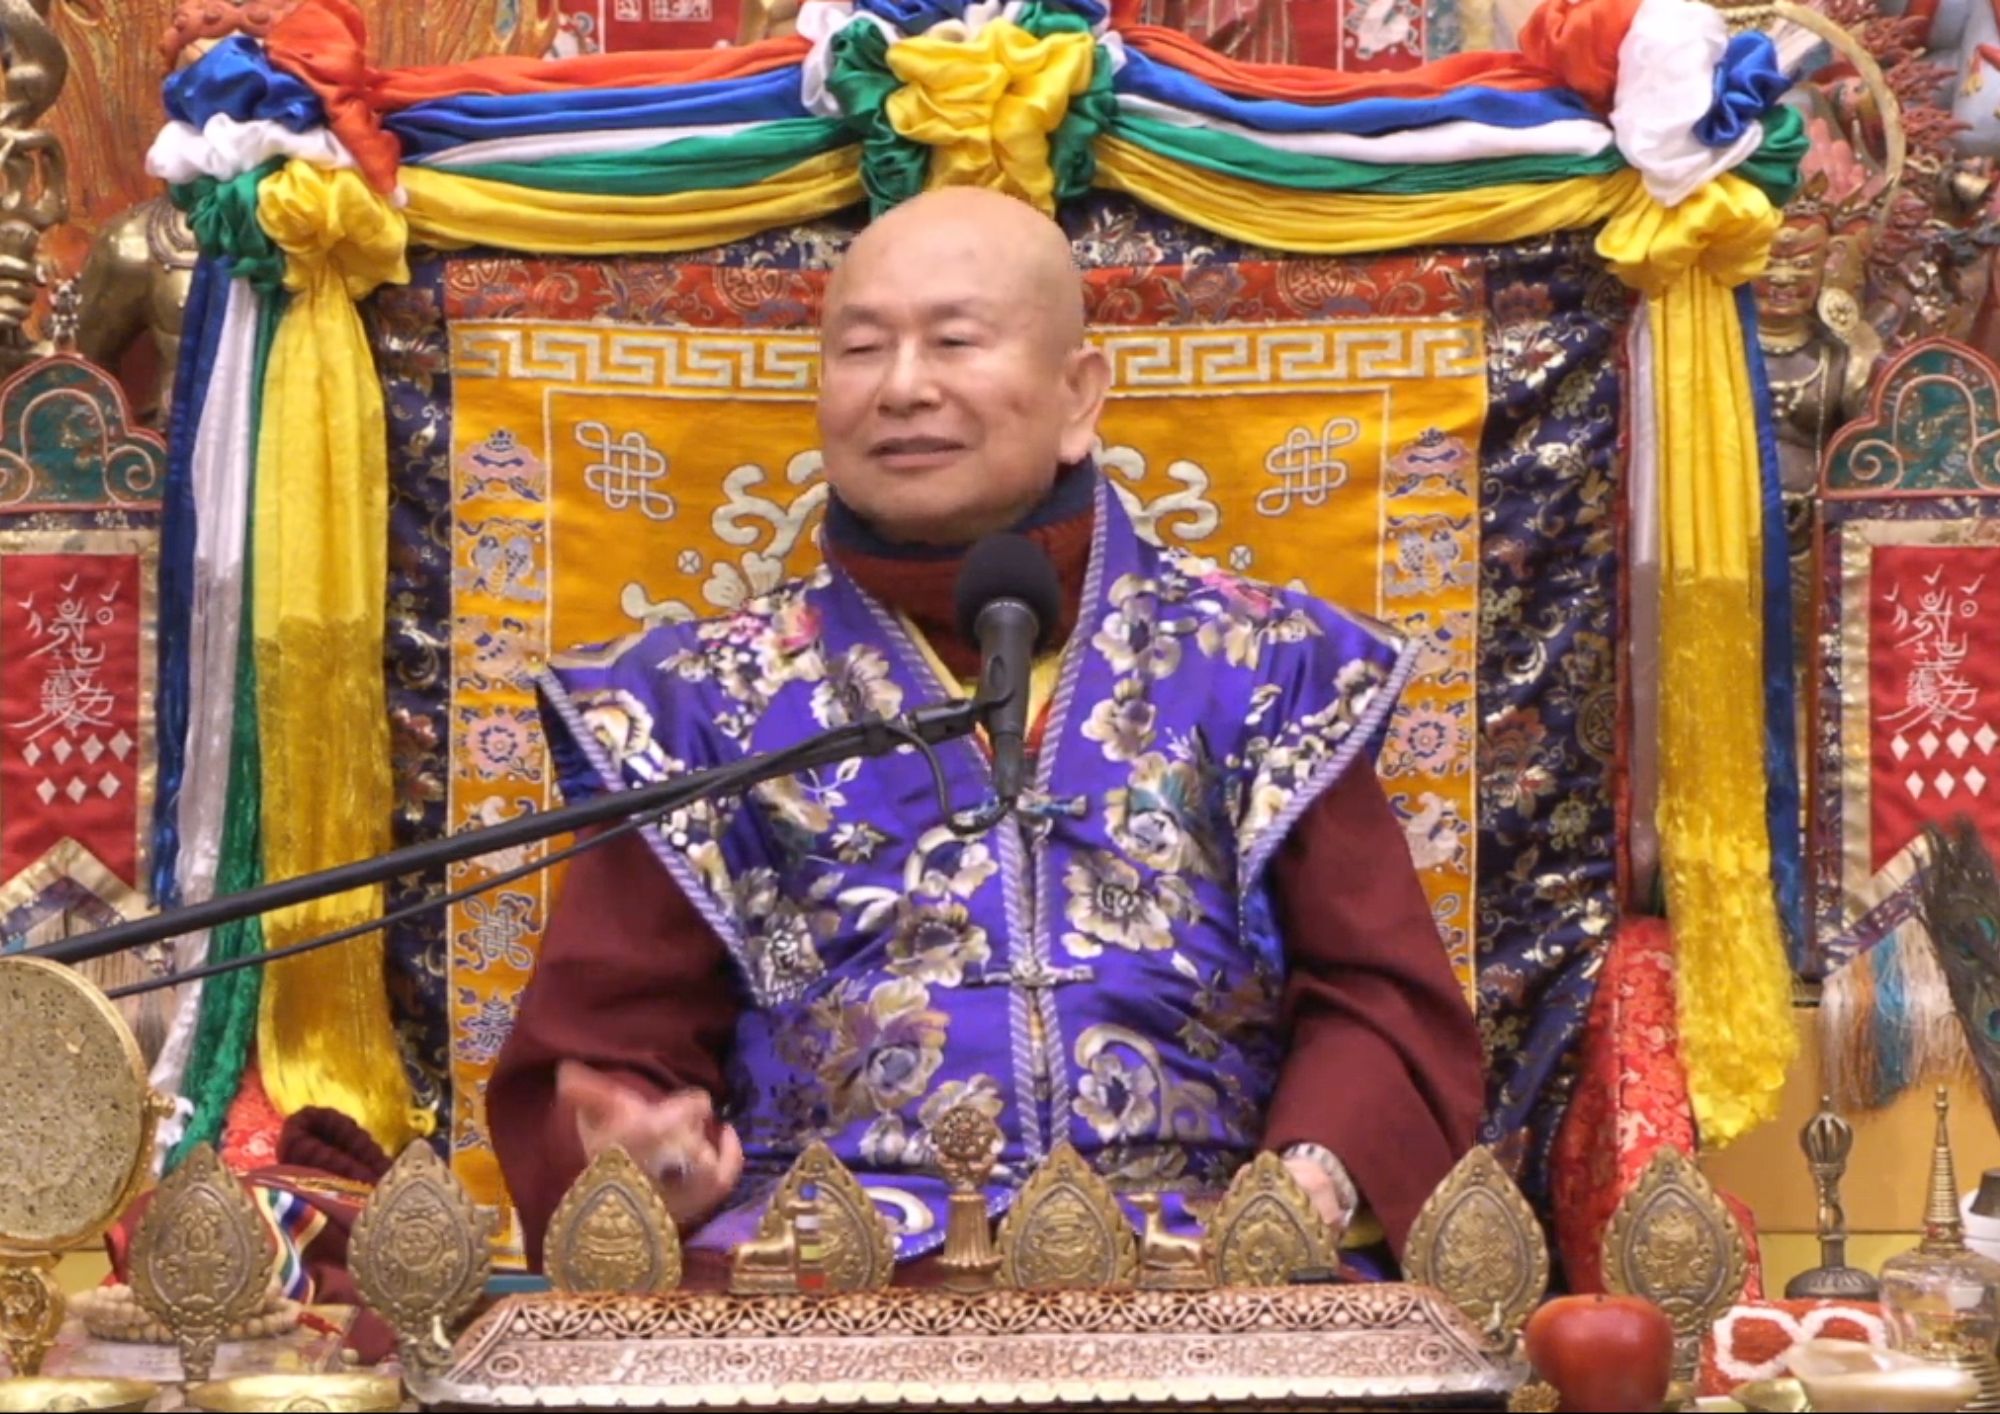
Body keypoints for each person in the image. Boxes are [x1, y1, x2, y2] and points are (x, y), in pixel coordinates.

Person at [489, 186, 1483, 1283]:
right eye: (860, 349)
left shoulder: (1268, 664)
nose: (902, 387)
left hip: (1201, 1261)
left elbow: (1377, 1000)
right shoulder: (697, 699)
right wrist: (637, 1156)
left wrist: (1313, 1174)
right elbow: (604, 1057)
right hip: (821, 1275)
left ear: (1078, 394)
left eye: (954, 341)